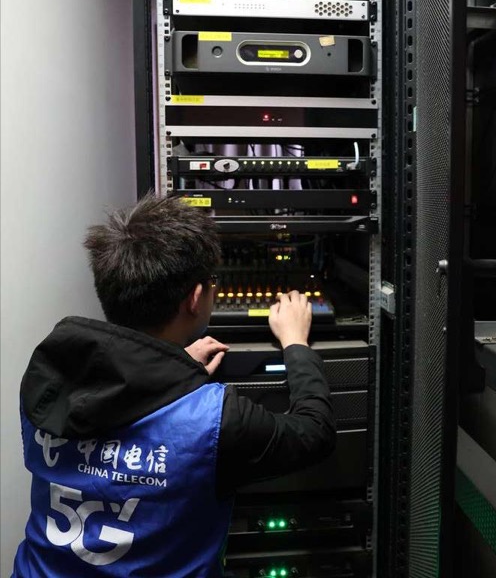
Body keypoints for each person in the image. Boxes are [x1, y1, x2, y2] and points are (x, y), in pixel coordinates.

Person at [12, 195, 336, 578]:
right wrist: (296, 343)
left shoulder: (48, 377)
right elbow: (314, 432)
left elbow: (117, 408)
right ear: (195, 299)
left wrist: (175, 365)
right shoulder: (213, 420)